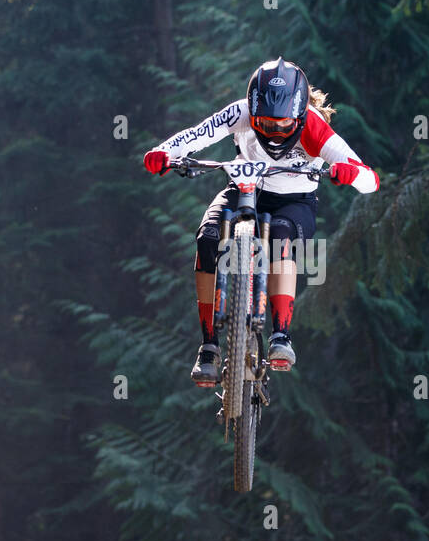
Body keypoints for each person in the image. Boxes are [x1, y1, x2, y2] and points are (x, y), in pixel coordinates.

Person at [142, 57, 378, 385]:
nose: (275, 133)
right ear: (252, 113)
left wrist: (350, 172)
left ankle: (281, 336)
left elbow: (369, 179)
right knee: (208, 239)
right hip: (242, 190)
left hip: (293, 201)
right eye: (265, 125)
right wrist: (164, 153)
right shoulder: (239, 112)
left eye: (283, 126)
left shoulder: (314, 125)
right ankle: (208, 345)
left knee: (280, 239)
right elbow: (196, 136)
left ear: (298, 117)